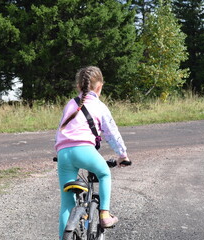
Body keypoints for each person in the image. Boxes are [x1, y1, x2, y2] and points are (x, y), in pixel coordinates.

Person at [55, 66, 131, 240]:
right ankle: (105, 215)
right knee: (104, 174)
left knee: (66, 204)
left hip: (64, 154)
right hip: (84, 151)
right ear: (99, 87)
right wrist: (122, 155)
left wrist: (58, 151)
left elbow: (60, 130)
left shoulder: (70, 104)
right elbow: (111, 133)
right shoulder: (99, 105)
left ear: (78, 87)